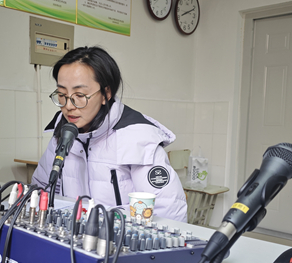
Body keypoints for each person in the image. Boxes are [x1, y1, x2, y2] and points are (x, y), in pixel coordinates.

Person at [31, 46, 187, 222]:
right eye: (61, 94)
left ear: (106, 93)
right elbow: (41, 192)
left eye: (80, 95)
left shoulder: (138, 139)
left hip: (121, 238)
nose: (68, 106)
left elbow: (168, 211)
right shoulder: (63, 134)